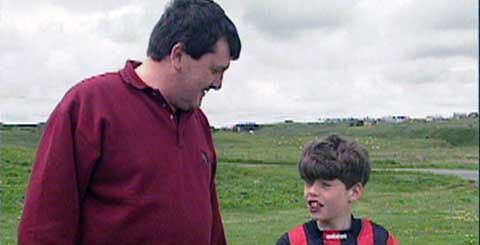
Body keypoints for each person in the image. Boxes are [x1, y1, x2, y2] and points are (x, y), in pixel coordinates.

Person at [18, 0, 241, 244]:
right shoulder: (90, 106)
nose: (219, 84)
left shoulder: (198, 124)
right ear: (178, 56)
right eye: (215, 70)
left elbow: (213, 231)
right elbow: (44, 226)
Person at [276, 135, 400, 245]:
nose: (312, 191)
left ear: (354, 192)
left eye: (325, 185)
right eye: (309, 183)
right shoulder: (292, 241)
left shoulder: (379, 239)